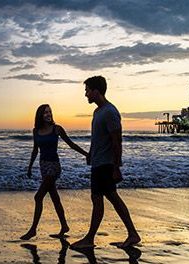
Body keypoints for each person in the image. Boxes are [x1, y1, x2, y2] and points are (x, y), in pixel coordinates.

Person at [70, 76, 141, 249]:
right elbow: (98, 138)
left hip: (106, 164)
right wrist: (91, 154)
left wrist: (116, 168)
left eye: (87, 90)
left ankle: (91, 238)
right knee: (107, 198)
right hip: (98, 161)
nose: (86, 94)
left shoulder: (110, 111)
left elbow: (117, 141)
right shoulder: (98, 112)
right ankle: (132, 234)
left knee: (101, 199)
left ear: (96, 91)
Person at [20, 104, 88, 240]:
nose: (48, 114)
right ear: (40, 115)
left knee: (38, 197)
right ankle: (64, 226)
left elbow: (71, 144)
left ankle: (33, 230)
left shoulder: (57, 129)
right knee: (54, 197)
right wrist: (29, 167)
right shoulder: (36, 131)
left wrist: (86, 154)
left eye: (50, 112)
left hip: (54, 166)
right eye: (45, 112)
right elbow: (35, 150)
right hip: (43, 166)